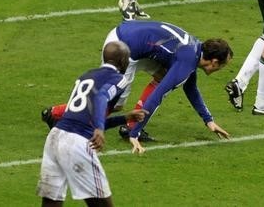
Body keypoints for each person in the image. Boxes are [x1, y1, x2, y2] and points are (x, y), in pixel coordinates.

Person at [43, 19, 232, 153]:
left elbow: (190, 87)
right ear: (214, 62)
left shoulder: (194, 50)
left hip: (131, 39)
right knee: (113, 104)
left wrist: (209, 121)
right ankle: (56, 113)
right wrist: (136, 134)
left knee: (161, 75)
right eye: (223, 65)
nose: (221, 69)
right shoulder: (187, 61)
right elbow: (158, 95)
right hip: (122, 49)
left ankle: (129, 126)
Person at [36, 41, 148, 207]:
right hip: (77, 143)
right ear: (123, 61)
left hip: (55, 137)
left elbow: (87, 118)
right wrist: (99, 128)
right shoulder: (120, 80)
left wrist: (124, 118)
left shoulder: (86, 75)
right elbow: (101, 96)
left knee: (51, 201)